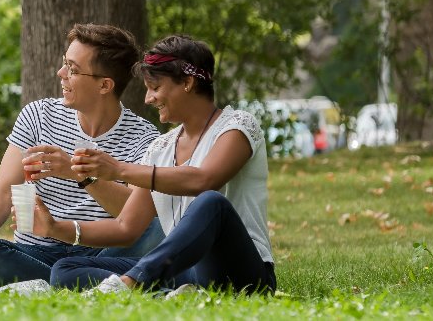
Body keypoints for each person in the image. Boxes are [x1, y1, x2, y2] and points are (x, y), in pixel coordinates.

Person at [41, 35, 275, 295]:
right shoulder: (160, 149)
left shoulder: (238, 126)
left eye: (155, 87)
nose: (148, 99)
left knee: (212, 202)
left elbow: (204, 180)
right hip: (184, 272)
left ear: (187, 82)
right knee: (66, 269)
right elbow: (125, 228)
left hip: (242, 275)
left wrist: (118, 169)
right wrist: (55, 228)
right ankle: (169, 295)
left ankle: (133, 284)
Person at [0, 24, 163, 288]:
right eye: (64, 63)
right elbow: (4, 190)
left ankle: (63, 281)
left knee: (155, 230)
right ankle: (84, 283)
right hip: (36, 253)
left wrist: (78, 172)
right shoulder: (38, 116)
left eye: (73, 69)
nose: (61, 73)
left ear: (104, 85)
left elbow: (135, 216)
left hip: (103, 254)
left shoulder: (144, 138)